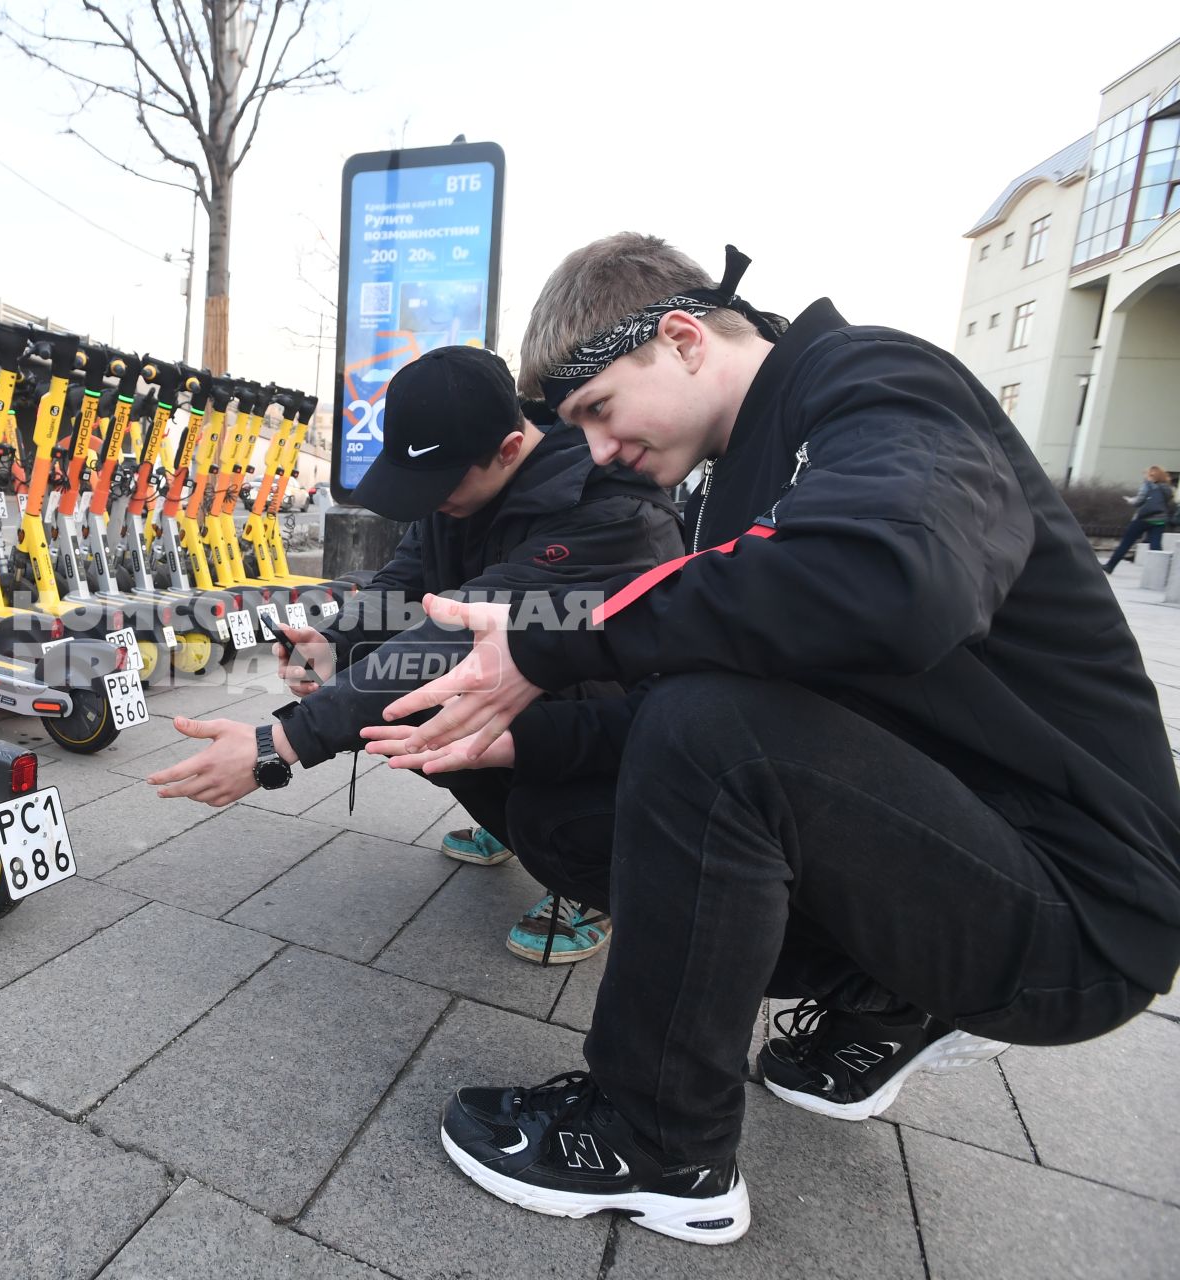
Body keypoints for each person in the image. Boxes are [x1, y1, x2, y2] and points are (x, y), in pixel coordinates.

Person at [367, 235, 1180, 1246]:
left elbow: (896, 578)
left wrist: (557, 638)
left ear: (682, 338)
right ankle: (886, 1000)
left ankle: (657, 1138)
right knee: (574, 813)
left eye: (600, 412)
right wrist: (519, 741)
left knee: (708, 729)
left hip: (1081, 906)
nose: (600, 449)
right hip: (972, 850)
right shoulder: (742, 478)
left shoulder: (877, 382)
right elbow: (726, 688)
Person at [147, 344, 679, 967]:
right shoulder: (463, 489)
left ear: (509, 449)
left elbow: (451, 638)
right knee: (407, 711)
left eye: (442, 485)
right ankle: (511, 816)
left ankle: (587, 873)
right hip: (529, 694)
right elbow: (404, 584)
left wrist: (278, 745)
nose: (431, 501)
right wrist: (335, 642)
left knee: (448, 703)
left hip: (627, 736)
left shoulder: (610, 511)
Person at [1101, 465, 1174, 574]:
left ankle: (1110, 566)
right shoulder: (1167, 489)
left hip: (1143, 518)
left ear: (1150, 475)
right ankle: (1159, 571)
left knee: (1126, 543)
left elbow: (1138, 501)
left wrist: (1130, 500)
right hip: (1159, 519)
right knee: (1155, 545)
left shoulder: (1148, 486)